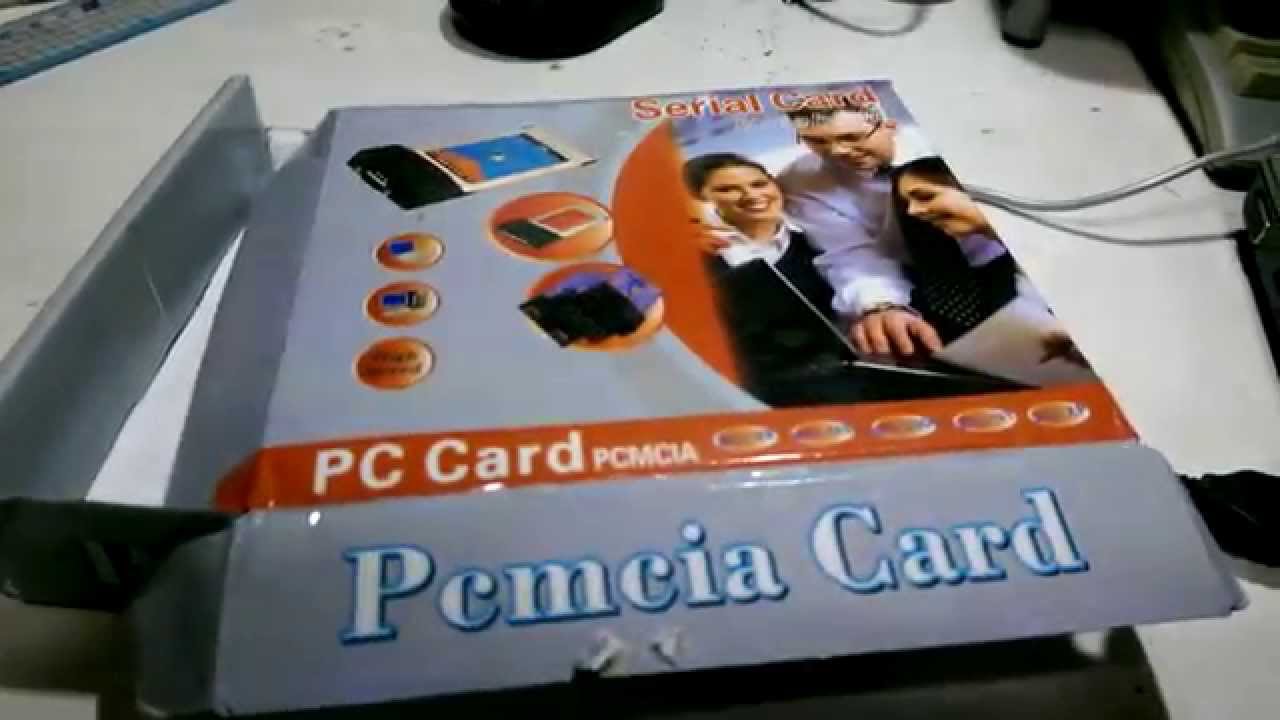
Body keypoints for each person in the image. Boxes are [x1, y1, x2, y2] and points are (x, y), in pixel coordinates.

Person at [683, 153, 1015, 407]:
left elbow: (862, 274)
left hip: (859, 380)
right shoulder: (697, 255)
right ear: (701, 200)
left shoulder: (823, 245)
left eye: (759, 183)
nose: (750, 195)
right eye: (727, 189)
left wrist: (882, 310)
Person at [692, 104, 950, 359]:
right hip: (908, 293)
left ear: (889, 126)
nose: (837, 151)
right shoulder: (800, 180)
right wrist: (880, 304)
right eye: (817, 141)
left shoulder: (938, 143)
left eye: (851, 137)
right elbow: (847, 250)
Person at [892, 156, 1086, 367]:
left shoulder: (1071, 250)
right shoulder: (1012, 266)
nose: (913, 211)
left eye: (925, 196)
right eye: (907, 203)